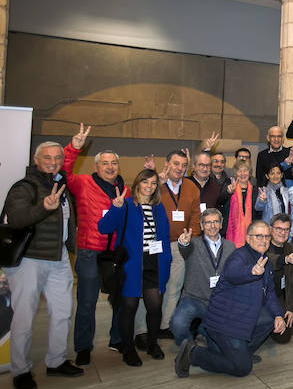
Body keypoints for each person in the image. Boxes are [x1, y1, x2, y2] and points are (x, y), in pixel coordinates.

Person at [3, 141, 82, 389]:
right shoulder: (24, 187)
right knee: (24, 317)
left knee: (63, 311)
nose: (53, 161)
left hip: (57, 257)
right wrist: (42, 208)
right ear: (36, 160)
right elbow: (15, 218)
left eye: (58, 157)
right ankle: (20, 370)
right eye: (47, 157)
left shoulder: (60, 185)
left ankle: (56, 361)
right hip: (30, 259)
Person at [175, 220, 287, 378]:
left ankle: (240, 352)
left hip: (241, 319)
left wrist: (278, 315)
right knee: (242, 368)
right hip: (225, 323)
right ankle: (193, 353)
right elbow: (232, 273)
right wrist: (251, 271)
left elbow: (269, 293)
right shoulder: (239, 256)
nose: (264, 240)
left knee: (270, 317)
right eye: (258, 236)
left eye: (267, 236)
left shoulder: (265, 261)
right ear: (248, 238)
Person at [61, 123, 129, 364]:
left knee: (119, 299)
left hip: (115, 254)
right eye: (105, 163)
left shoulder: (125, 189)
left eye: (114, 163)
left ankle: (117, 339)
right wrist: (73, 148)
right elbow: (64, 174)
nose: (110, 167)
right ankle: (82, 346)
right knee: (87, 302)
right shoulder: (82, 184)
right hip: (90, 252)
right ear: (96, 166)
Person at [98, 169, 172, 366]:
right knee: (129, 308)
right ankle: (128, 350)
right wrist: (116, 208)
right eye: (145, 182)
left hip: (154, 263)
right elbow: (103, 228)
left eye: (154, 183)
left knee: (155, 307)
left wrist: (166, 260)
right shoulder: (127, 205)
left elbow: (164, 236)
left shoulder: (159, 207)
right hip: (131, 265)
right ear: (138, 183)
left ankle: (152, 344)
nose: (149, 186)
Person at [170, 208, 236, 346]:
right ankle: (188, 347)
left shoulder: (230, 246)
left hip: (219, 301)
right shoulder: (193, 243)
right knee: (177, 323)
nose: (212, 226)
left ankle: (203, 330)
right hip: (194, 298)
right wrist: (183, 243)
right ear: (201, 226)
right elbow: (184, 249)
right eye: (208, 223)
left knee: (223, 340)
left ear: (221, 224)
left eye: (216, 222)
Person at [157, 149, 202, 337]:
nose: (180, 168)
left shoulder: (191, 188)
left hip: (179, 245)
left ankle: (165, 325)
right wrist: (157, 185)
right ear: (167, 164)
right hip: (155, 245)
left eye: (184, 165)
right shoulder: (155, 184)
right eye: (176, 164)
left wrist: (191, 238)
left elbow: (195, 216)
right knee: (152, 288)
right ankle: (143, 330)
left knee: (174, 287)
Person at [266, 213, 293, 343]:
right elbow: (267, 259)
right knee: (269, 322)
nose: (283, 233)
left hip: (280, 296)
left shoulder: (290, 249)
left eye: (286, 229)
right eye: (279, 229)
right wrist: (285, 260)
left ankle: (273, 326)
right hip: (264, 298)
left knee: (286, 334)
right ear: (271, 229)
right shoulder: (262, 245)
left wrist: (291, 308)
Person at [222, 160, 260, 248]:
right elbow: (220, 201)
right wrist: (229, 192)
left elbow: (258, 212)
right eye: (239, 170)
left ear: (250, 173)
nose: (243, 173)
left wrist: (262, 202)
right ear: (235, 173)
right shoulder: (229, 186)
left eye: (245, 170)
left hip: (251, 234)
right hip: (231, 234)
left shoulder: (256, 191)